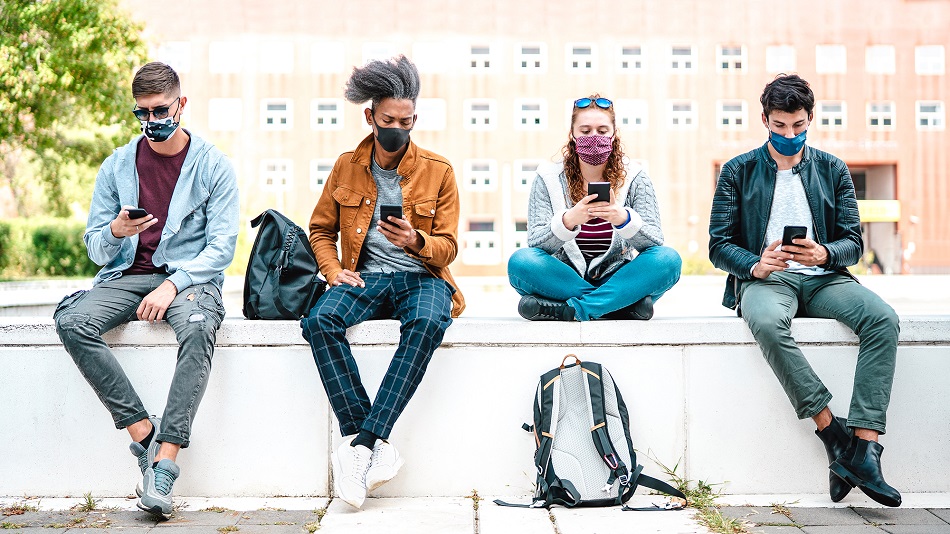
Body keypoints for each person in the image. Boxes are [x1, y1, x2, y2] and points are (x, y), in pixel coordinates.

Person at [54, 62, 239, 517]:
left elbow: (222, 248)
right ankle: (143, 433)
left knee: (198, 327)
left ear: (181, 104)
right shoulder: (117, 165)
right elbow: (96, 249)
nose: (153, 121)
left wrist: (173, 284)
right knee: (72, 320)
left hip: (190, 280)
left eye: (161, 110)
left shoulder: (214, 166)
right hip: (126, 277)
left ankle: (165, 462)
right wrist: (116, 230)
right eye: (143, 112)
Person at [708, 74, 901, 507]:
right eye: (780, 126)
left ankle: (864, 449)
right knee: (766, 323)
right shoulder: (738, 171)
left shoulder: (832, 169)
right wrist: (755, 263)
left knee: (883, 319)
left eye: (798, 125)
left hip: (824, 278)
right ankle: (832, 433)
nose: (790, 135)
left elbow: (854, 241)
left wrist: (824, 254)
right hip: (767, 279)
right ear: (764, 120)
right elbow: (718, 245)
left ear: (810, 118)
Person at [299, 55, 463, 510]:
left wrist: (416, 240)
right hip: (365, 277)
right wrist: (334, 271)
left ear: (415, 120)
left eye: (406, 121)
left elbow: (448, 247)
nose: (397, 128)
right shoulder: (346, 166)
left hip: (421, 277)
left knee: (430, 324)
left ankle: (363, 444)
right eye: (388, 120)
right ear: (370, 116)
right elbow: (319, 230)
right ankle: (367, 442)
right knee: (319, 322)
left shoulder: (439, 170)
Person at [507, 94, 681, 321]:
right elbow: (536, 244)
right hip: (565, 279)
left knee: (669, 260)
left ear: (613, 133)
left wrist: (622, 219)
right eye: (585, 131)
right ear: (573, 134)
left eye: (602, 130)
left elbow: (654, 242)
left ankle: (573, 310)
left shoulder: (635, 176)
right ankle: (619, 307)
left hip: (618, 276)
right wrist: (569, 220)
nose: (594, 137)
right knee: (521, 262)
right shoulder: (547, 177)